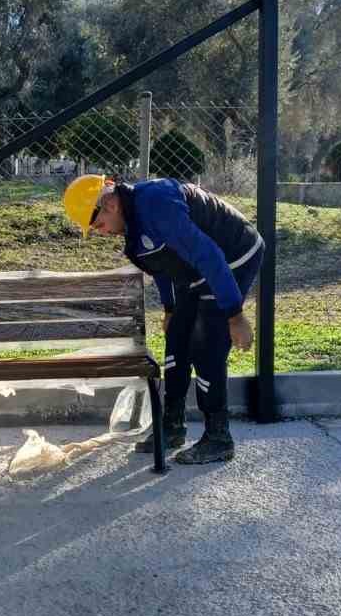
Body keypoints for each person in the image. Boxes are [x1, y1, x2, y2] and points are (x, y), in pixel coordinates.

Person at [62, 173, 263, 464]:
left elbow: (209, 255)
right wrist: (170, 309)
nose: (99, 232)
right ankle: (172, 426)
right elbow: (161, 265)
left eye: (96, 224)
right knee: (177, 340)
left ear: (110, 205)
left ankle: (218, 438)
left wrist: (234, 315)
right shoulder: (133, 224)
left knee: (207, 346)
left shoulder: (157, 205)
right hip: (197, 270)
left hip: (233, 256)